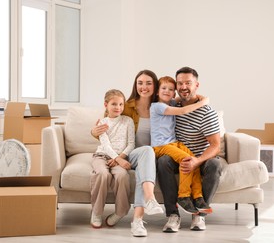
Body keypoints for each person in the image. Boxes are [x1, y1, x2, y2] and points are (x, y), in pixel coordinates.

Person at [91, 70, 164, 237]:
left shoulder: (162, 106)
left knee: (147, 152)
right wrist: (93, 131)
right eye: (140, 83)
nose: (144, 87)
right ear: (135, 85)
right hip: (128, 154)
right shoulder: (128, 106)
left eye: (148, 83)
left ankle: (138, 217)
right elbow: (107, 125)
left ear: (155, 85)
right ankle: (148, 202)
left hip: (141, 154)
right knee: (145, 153)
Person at [157, 67, 222, 233]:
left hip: (201, 156)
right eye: (180, 83)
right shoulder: (172, 106)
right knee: (163, 160)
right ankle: (173, 215)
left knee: (214, 165)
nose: (183, 86)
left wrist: (197, 161)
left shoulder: (207, 113)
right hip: (177, 155)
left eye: (188, 83)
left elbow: (215, 145)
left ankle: (199, 214)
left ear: (197, 85)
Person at [150, 76, 212, 215]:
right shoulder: (157, 106)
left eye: (171, 89)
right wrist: (204, 103)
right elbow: (183, 111)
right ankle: (183, 196)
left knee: (194, 160)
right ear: (157, 92)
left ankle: (197, 196)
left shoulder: (171, 102)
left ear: (174, 93)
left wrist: (203, 98)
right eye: (163, 88)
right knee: (187, 160)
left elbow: (190, 97)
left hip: (173, 143)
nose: (167, 91)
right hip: (160, 145)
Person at [90, 89, 134, 229]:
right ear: (106, 105)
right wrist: (119, 159)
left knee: (122, 175)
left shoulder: (128, 121)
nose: (118, 107)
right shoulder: (102, 122)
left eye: (121, 104)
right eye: (114, 104)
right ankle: (96, 212)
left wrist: (119, 158)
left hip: (119, 157)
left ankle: (120, 212)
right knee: (103, 174)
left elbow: (131, 144)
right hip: (102, 156)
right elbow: (106, 145)